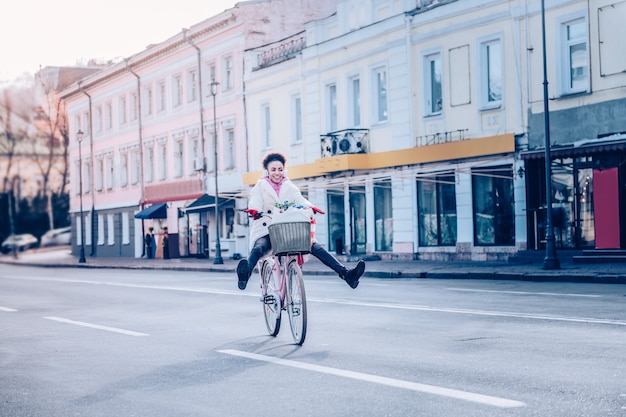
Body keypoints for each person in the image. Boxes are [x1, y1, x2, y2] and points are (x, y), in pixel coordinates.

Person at [237, 152, 365, 290]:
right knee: (259, 247)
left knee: (314, 246)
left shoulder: (289, 185)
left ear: (284, 170)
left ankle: (347, 274)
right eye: (273, 169)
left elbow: (299, 199)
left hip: (288, 230)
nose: (277, 173)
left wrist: (310, 207)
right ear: (266, 171)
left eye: (280, 169)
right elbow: (255, 200)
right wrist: (254, 210)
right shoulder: (260, 186)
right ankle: (245, 274)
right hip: (267, 229)